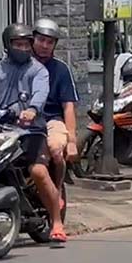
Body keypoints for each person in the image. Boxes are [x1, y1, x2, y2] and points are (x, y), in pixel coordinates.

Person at [0, 22, 66, 243]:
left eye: (27, 44)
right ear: (7, 46)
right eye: (18, 44)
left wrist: (32, 109)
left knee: (38, 171)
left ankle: (56, 221)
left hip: (31, 132)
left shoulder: (38, 70)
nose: (24, 48)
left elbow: (40, 92)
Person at [31, 18, 80, 204]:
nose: (44, 45)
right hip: (24, 122)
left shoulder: (61, 70)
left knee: (56, 149)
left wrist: (72, 141)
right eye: (41, 40)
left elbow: (68, 106)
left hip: (51, 121)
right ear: (32, 40)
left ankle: (57, 190)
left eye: (49, 42)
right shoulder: (22, 65)